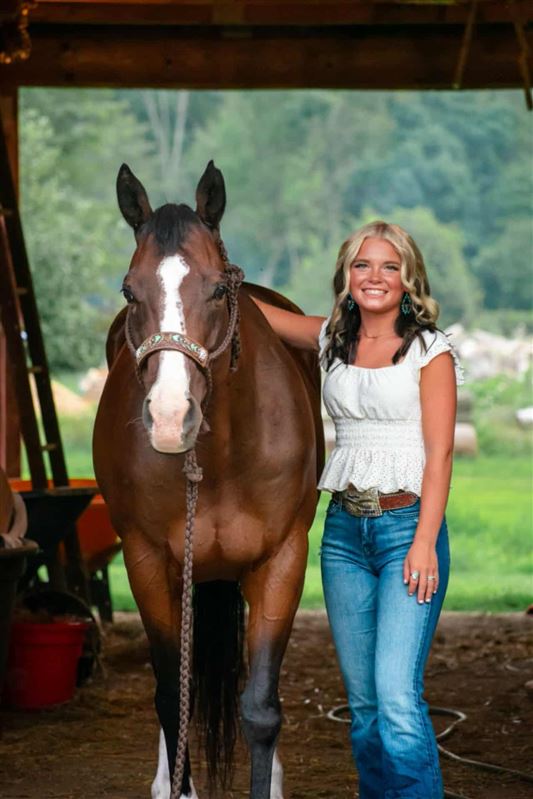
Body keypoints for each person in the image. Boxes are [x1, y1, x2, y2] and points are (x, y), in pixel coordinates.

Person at [252, 220, 463, 799]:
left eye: (390, 266)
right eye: (362, 264)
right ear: (346, 275)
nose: (375, 276)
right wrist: (206, 267)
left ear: (408, 279)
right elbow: (254, 311)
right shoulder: (330, 339)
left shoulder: (430, 350)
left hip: (406, 531)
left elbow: (441, 455)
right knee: (365, 707)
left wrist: (424, 542)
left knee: (397, 699)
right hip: (344, 534)